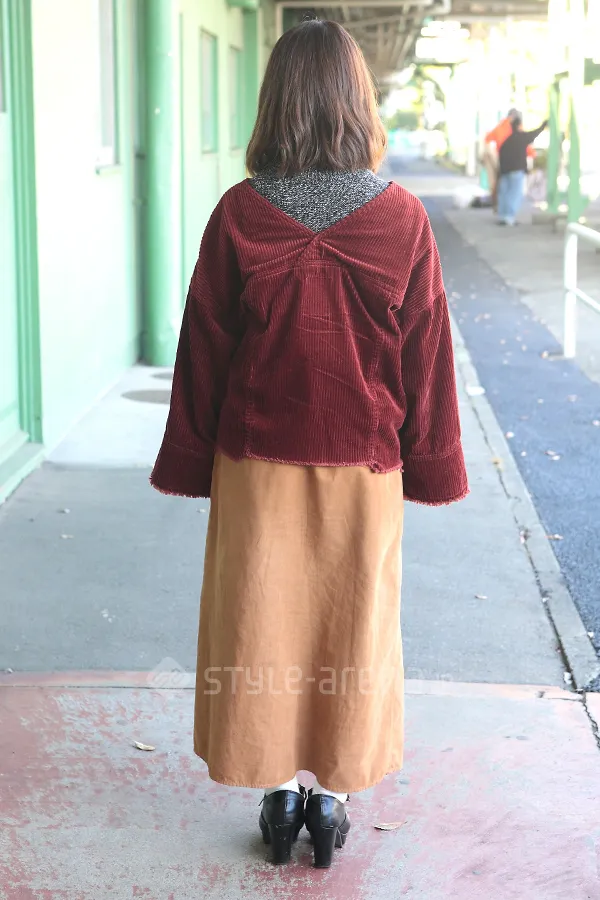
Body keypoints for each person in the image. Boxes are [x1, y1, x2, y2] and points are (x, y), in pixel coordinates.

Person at [150, 19, 468, 869]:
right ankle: (331, 799)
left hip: (257, 462)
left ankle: (278, 790)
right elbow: (427, 355)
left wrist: (192, 456)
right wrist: (433, 462)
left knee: (259, 622)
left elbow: (204, 347)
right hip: (363, 464)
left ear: (276, 102)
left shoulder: (239, 213)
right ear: (357, 104)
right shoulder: (401, 219)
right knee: (352, 624)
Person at [497, 116, 548, 226]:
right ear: (519, 126)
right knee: (514, 194)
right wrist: (543, 126)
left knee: (505, 194)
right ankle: (509, 217)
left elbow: (500, 155)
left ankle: (503, 216)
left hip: (505, 172)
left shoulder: (507, 141)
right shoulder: (521, 138)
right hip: (516, 171)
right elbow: (533, 134)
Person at [483, 108, 536, 210]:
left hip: (502, 163)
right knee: (515, 191)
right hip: (515, 164)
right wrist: (531, 154)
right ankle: (509, 214)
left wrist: (492, 156)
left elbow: (487, 139)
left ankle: (502, 210)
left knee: (503, 188)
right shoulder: (516, 128)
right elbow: (523, 144)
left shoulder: (500, 127)